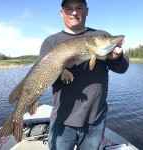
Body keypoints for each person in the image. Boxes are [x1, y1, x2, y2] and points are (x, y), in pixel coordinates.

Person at [39, 0, 129, 149]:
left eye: (79, 8)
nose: (74, 12)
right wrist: (61, 67)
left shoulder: (102, 36)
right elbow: (43, 78)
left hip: (95, 120)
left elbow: (122, 68)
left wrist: (117, 58)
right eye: (69, 9)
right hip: (62, 119)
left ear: (87, 11)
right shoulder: (51, 42)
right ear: (62, 13)